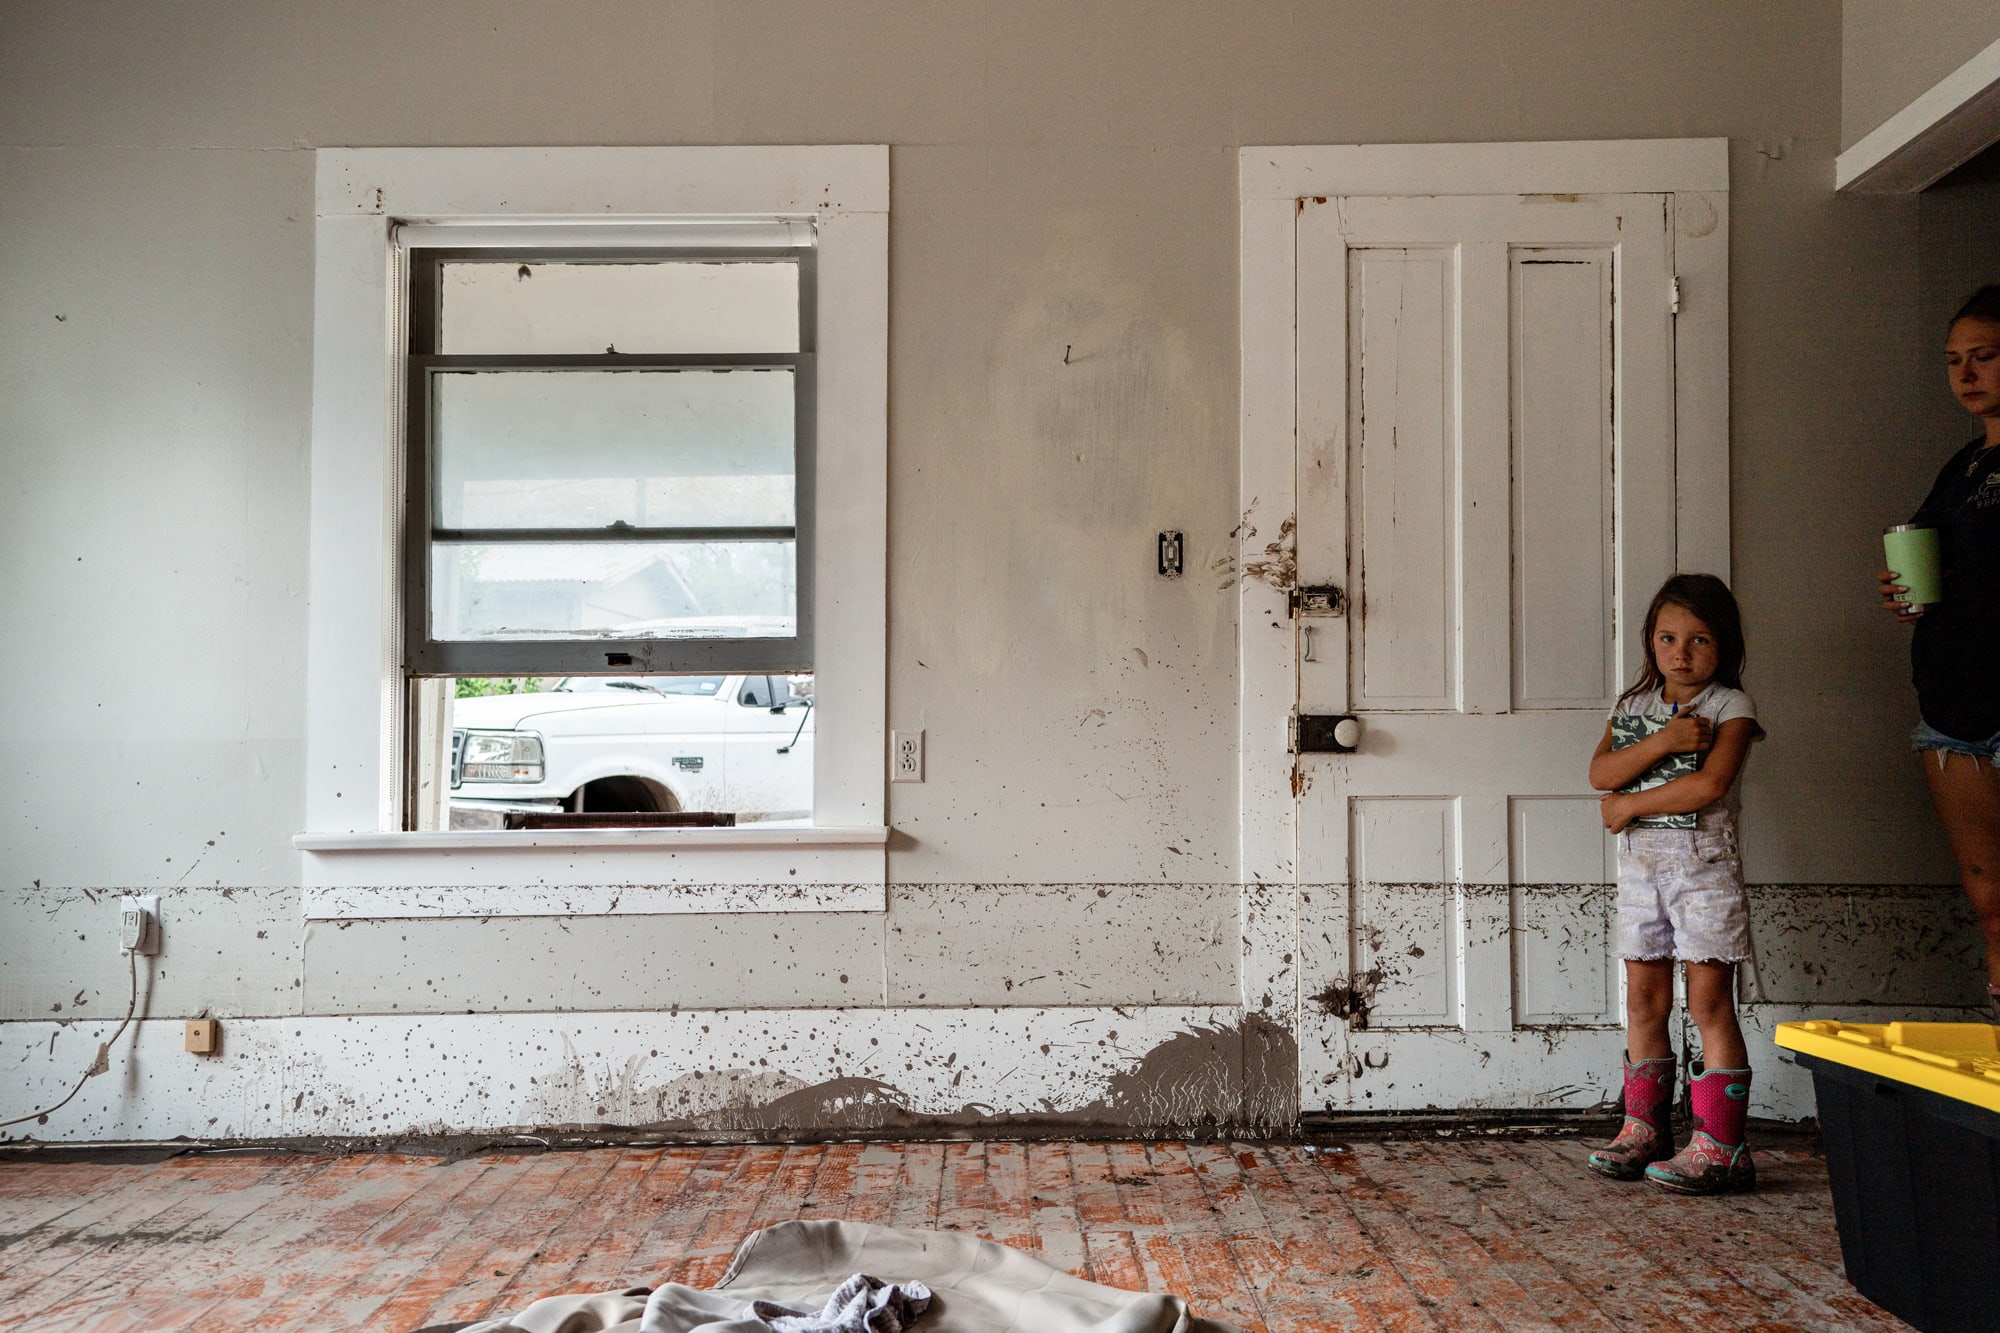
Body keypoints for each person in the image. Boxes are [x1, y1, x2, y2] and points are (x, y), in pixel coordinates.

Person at [1584, 574, 1762, 1195]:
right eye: (1667, 638)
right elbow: (1600, 771)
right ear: (1650, 641)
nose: (1680, 653)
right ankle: (1645, 1129)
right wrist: (1664, 740)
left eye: (1698, 640)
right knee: (1643, 999)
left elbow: (1709, 785)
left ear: (1726, 646)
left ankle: (1722, 1145)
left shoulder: (1729, 708)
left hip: (1703, 871)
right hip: (1641, 873)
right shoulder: (1635, 709)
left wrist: (1628, 806)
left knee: (1710, 1002)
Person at [1877, 286, 2000, 1020]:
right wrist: (1903, 591)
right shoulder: (1962, 466)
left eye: (1984, 356)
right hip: (1953, 711)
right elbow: (1926, 558)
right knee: (1990, 900)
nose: (1966, 373)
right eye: (1954, 360)